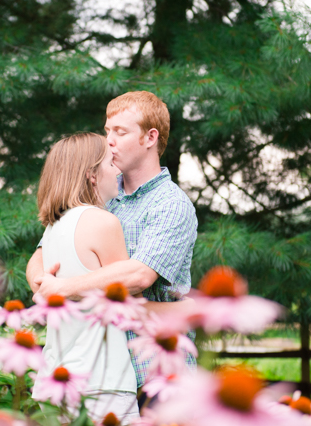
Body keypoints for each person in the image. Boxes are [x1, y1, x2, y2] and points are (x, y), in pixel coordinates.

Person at [26, 91, 198, 395]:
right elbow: (43, 252)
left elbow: (139, 276)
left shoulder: (170, 204)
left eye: (120, 132)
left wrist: (62, 289)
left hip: (155, 373)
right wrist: (43, 283)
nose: (109, 141)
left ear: (150, 138)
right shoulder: (98, 191)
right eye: (107, 131)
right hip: (100, 372)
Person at [30, 132, 139, 421]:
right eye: (109, 163)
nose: (117, 170)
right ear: (92, 175)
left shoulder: (54, 227)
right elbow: (127, 297)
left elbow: (37, 275)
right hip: (101, 382)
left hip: (54, 378)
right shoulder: (102, 222)